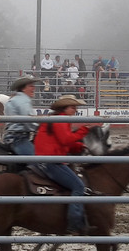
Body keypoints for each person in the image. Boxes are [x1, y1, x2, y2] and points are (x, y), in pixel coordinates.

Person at [33, 94, 93, 235]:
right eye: (73, 107)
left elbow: (61, 142)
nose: (75, 110)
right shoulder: (60, 120)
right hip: (51, 161)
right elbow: (65, 139)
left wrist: (77, 147)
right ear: (64, 109)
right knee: (78, 186)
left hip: (47, 159)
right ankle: (74, 224)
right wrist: (84, 129)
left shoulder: (57, 120)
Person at [2, 75, 40, 156]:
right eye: (31, 86)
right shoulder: (24, 101)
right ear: (23, 88)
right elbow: (29, 122)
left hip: (12, 136)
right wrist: (41, 127)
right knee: (39, 161)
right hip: (19, 138)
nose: (34, 88)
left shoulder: (13, 100)